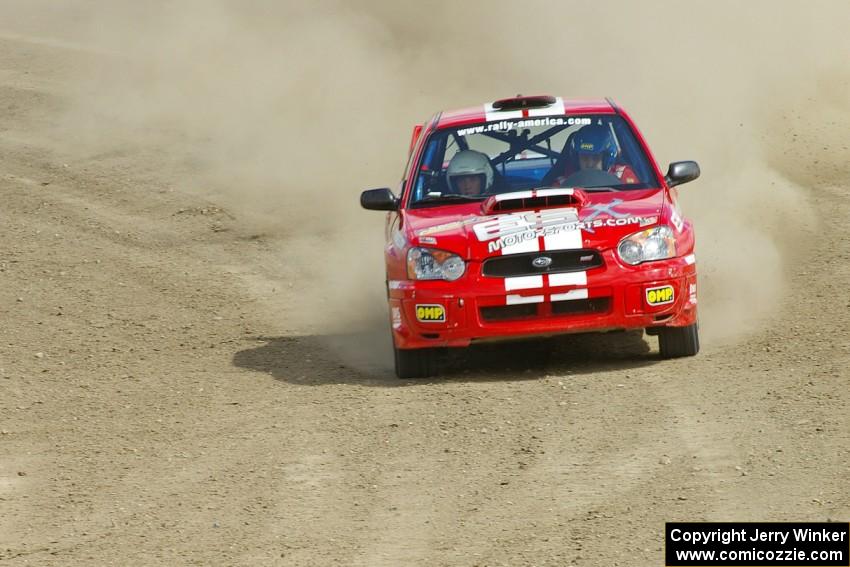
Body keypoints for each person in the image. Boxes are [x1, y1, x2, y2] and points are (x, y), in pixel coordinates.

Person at [556, 124, 638, 187]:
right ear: (576, 159)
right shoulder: (564, 182)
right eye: (584, 157)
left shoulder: (623, 176)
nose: (590, 164)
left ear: (607, 159)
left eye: (595, 157)